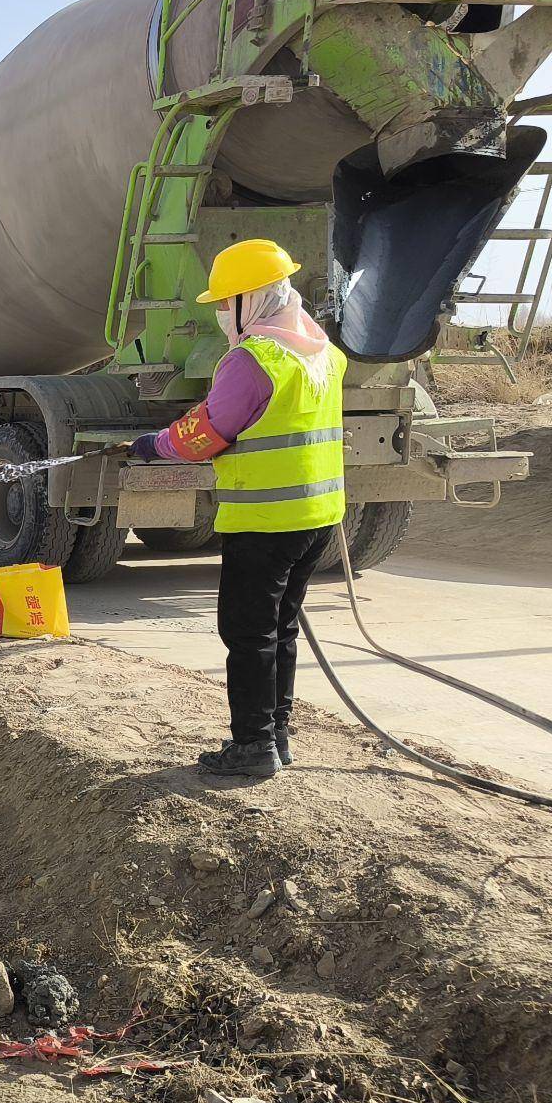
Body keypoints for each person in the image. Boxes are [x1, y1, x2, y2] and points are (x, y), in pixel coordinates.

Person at [131, 239, 346, 779]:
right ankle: (278, 736)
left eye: (226, 302)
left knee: (248, 635)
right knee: (283, 627)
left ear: (252, 300)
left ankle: (253, 747)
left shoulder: (252, 360)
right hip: (317, 518)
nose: (222, 313)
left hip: (264, 521)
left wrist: (153, 446)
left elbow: (207, 433)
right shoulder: (323, 352)